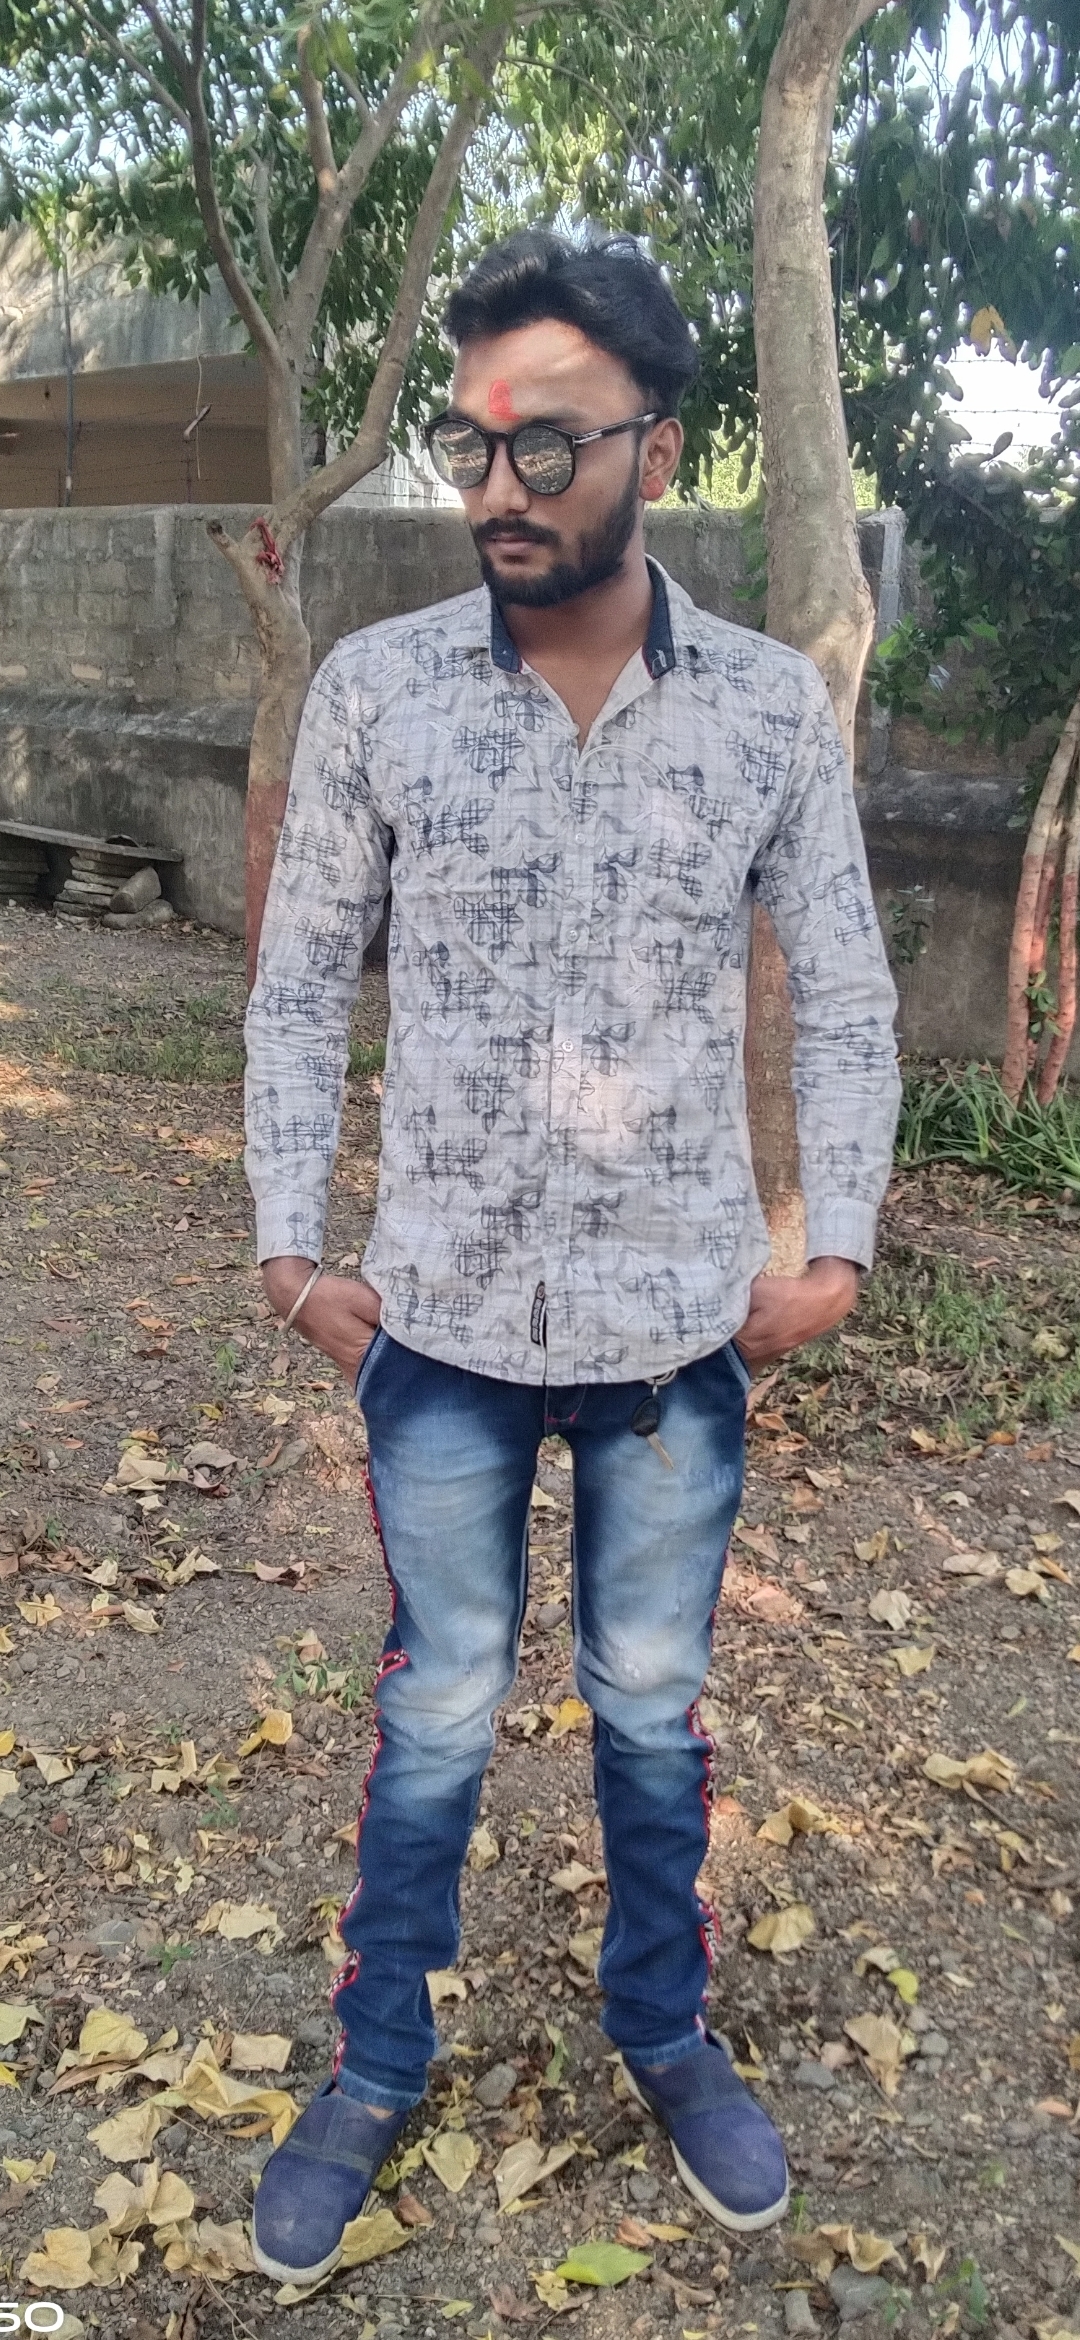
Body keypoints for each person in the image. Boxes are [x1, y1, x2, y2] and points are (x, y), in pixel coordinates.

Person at [244, 228, 901, 2284]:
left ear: (656, 450)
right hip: (436, 1324)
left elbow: (849, 989)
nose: (500, 486)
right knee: (438, 1707)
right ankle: (376, 2059)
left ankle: (663, 2032)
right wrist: (287, 1246)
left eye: (545, 445)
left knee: (648, 1705)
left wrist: (840, 1246)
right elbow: (297, 987)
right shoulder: (378, 694)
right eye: (472, 444)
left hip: (674, 1334)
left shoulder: (770, 712)